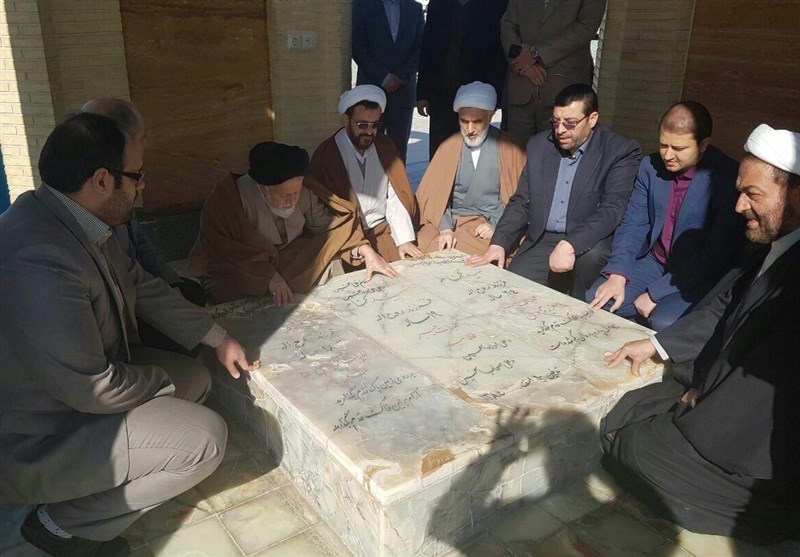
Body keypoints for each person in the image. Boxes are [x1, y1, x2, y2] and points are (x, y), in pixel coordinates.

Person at [0, 113, 257, 556]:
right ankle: (60, 524)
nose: (143, 186)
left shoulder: (65, 215)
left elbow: (138, 282)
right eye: (137, 175)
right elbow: (94, 388)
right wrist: (161, 383)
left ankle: (105, 481)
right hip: (39, 437)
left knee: (196, 378)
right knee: (205, 440)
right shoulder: (41, 259)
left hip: (69, 399)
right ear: (102, 180)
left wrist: (217, 336)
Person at [601, 124, 800, 543]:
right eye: (740, 192)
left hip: (753, 446)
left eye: (753, 195)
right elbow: (724, 306)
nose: (739, 206)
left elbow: (762, 382)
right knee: (631, 413)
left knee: (634, 446)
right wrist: (657, 344)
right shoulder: (776, 244)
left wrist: (699, 401)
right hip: (720, 396)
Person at [467, 84, 640, 300]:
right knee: (511, 291)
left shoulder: (619, 150)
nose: (560, 130)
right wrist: (499, 242)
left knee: (588, 269)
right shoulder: (539, 145)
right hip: (543, 238)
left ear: (592, 119)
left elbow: (612, 209)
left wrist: (571, 244)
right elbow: (522, 201)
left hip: (588, 240)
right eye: (556, 122)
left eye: (570, 123)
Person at [587, 101, 743, 331]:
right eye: (663, 145)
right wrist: (618, 273)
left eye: (678, 148)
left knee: (662, 322)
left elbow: (716, 253)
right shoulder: (650, 167)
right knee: (598, 300)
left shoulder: (727, 178)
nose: (668, 155)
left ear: (704, 145)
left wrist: (655, 293)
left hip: (697, 272)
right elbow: (633, 224)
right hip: (655, 261)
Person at [187, 141, 397, 305]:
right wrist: (268, 276)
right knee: (224, 290)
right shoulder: (229, 200)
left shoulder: (303, 192)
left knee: (329, 262)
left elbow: (331, 226)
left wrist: (364, 250)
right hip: (244, 265)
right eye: (285, 195)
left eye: (296, 193)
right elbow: (222, 251)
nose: (292, 200)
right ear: (263, 188)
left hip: (287, 259)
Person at [82, 98, 209, 353]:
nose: (141, 185)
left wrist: (173, 287)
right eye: (142, 137)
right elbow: (129, 281)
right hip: (122, 307)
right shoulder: (91, 208)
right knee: (189, 353)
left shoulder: (117, 191)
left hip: (140, 288)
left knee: (192, 294)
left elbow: (143, 251)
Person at [310, 85, 421, 262]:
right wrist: (356, 244)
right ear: (346, 120)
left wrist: (404, 240)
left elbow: (395, 195)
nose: (369, 131)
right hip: (346, 237)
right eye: (362, 125)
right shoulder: (327, 155)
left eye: (375, 125)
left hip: (385, 229)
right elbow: (322, 212)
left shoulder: (385, 147)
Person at [416, 82, 526, 255]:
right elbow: (433, 199)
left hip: (491, 223)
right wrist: (445, 228)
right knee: (424, 244)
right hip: (450, 221)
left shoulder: (510, 149)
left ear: (491, 116)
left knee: (486, 251)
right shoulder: (448, 147)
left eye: (477, 122)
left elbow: (520, 199)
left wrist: (496, 223)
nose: (470, 129)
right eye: (464, 121)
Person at [500, 0, 606, 146]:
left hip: (563, 87)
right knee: (515, 151)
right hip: (522, 84)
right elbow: (508, 23)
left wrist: (537, 54)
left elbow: (586, 27)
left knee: (557, 153)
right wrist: (524, 63)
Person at [416, 0, 508, 159]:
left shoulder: (496, 4)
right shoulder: (438, 4)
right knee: (440, 153)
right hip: (441, 94)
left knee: (475, 153)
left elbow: (499, 52)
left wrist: (497, 95)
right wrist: (423, 93)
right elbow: (428, 48)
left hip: (478, 93)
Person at [352, 0, 424, 162]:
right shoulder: (362, 5)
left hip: (403, 92)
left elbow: (421, 49)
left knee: (398, 151)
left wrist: (400, 77)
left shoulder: (415, 8)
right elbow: (358, 46)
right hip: (371, 92)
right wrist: (383, 78)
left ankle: (398, 179)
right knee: (366, 148)